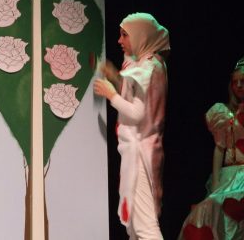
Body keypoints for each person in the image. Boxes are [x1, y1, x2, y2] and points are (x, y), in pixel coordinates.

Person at [94, 12, 170, 239]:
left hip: (141, 155)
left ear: (140, 36)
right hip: (137, 152)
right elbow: (138, 95)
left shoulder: (149, 68)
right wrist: (117, 79)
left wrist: (111, 94)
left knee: (145, 226)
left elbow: (138, 112)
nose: (120, 41)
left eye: (125, 35)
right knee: (136, 227)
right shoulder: (147, 65)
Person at [178, 57, 244, 240]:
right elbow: (219, 149)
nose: (238, 85)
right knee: (210, 208)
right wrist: (215, 185)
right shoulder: (223, 113)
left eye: (243, 81)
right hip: (228, 177)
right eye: (235, 82)